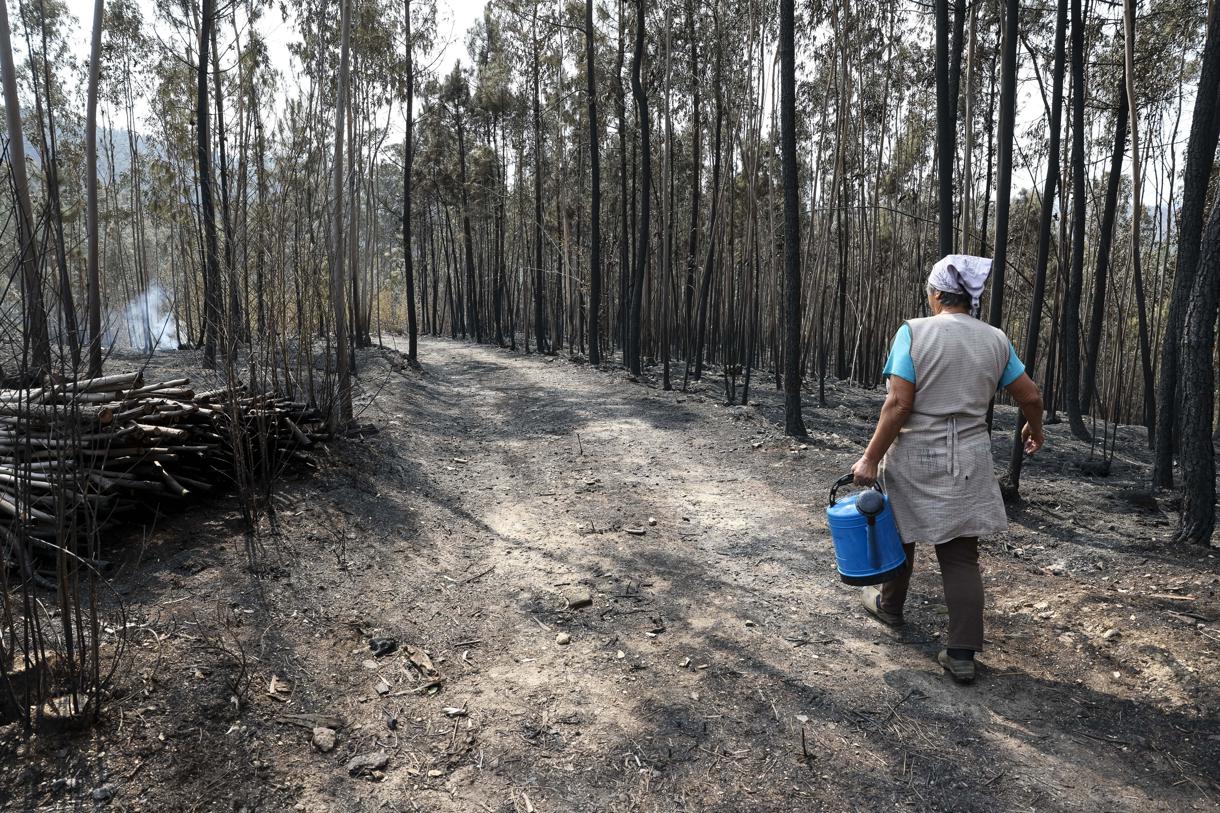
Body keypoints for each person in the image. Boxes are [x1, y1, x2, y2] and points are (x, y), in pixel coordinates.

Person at [850, 254, 1045, 684]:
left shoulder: (913, 333)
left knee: (901, 538)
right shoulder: (996, 339)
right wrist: (1035, 428)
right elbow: (1029, 395)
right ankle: (961, 653)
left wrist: (870, 457)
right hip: (970, 457)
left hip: (916, 453)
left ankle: (890, 608)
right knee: (960, 557)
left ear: (937, 295)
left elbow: (899, 403)